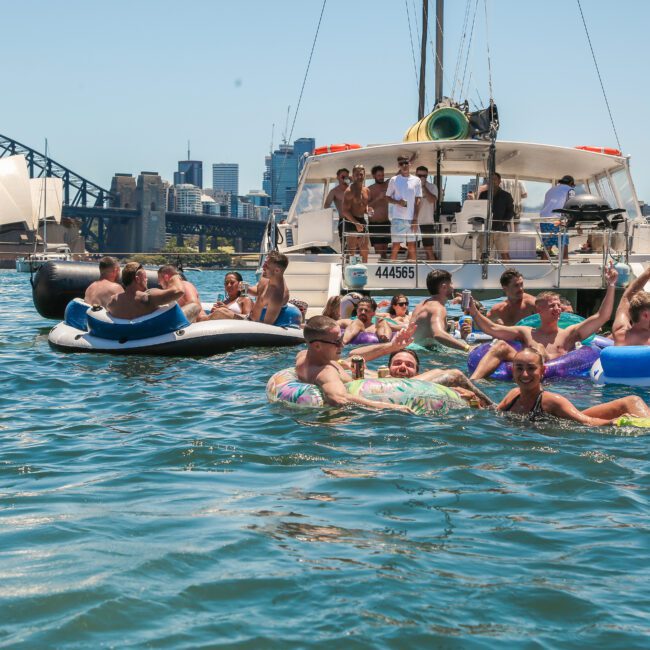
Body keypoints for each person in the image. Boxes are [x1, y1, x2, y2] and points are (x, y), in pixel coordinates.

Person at [468, 265, 618, 380]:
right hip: (524, 375)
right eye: (552, 305)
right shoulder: (526, 332)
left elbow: (602, 317)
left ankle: (538, 358)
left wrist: (611, 285)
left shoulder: (569, 333)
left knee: (538, 348)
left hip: (556, 380)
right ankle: (473, 382)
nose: (557, 309)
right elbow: (492, 328)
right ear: (539, 309)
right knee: (500, 345)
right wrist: (474, 312)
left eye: (559, 305)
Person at [497, 347, 650, 424]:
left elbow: (586, 422)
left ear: (542, 371)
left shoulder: (551, 401)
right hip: (571, 417)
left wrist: (614, 423)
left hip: (575, 421)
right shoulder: (512, 395)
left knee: (633, 402)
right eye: (519, 368)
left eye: (531, 368)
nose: (524, 374)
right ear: (512, 369)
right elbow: (492, 412)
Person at [348, 328, 493, 407]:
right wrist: (391, 347)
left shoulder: (431, 382)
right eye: (397, 363)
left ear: (418, 372)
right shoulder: (374, 377)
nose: (403, 367)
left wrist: (470, 396)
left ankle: (494, 407)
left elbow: (455, 376)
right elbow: (352, 355)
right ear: (388, 367)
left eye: (409, 365)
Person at [295, 315, 413, 411]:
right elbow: (339, 399)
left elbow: (347, 359)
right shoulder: (326, 372)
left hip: (361, 377)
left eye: (341, 339)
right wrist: (395, 408)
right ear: (317, 345)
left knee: (354, 357)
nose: (342, 345)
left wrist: (392, 346)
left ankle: (392, 346)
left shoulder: (303, 355)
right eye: (337, 341)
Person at [411, 270, 474, 351]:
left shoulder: (420, 305)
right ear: (444, 287)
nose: (453, 287)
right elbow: (438, 334)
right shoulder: (438, 308)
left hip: (415, 350)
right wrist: (467, 348)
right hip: (427, 354)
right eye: (451, 283)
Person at [107, 262, 184, 320]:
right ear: (137, 279)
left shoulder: (113, 301)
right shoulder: (147, 297)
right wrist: (175, 275)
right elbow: (179, 291)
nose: (147, 280)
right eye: (145, 277)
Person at [386, 156, 422, 261]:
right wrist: (398, 202)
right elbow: (387, 197)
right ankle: (392, 269)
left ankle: (415, 272)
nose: (404, 165)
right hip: (397, 218)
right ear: (398, 166)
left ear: (410, 164)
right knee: (395, 246)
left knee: (412, 247)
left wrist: (415, 219)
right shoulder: (393, 180)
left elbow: (418, 200)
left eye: (406, 163)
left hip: (411, 219)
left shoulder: (416, 180)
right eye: (401, 164)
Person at [478, 172, 514, 261]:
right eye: (490, 180)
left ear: (499, 181)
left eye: (495, 179)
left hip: (500, 229)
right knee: (484, 254)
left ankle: (510, 273)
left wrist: (504, 222)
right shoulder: (483, 195)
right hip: (486, 229)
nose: (493, 181)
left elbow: (511, 212)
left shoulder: (506, 195)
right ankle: (482, 273)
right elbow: (478, 209)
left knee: (504, 254)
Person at [249, 251, 290, 325]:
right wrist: (246, 289)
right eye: (264, 264)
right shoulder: (266, 277)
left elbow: (267, 326)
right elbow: (259, 291)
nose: (263, 267)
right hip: (249, 318)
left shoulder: (276, 296)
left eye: (266, 266)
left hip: (255, 325)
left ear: (277, 270)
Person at [612, 264, 650, 346]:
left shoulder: (619, 333)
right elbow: (627, 297)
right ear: (645, 315)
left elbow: (625, 298)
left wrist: (648, 272)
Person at [540, 175, 575, 260]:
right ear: (571, 183)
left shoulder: (550, 190)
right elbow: (572, 206)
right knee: (564, 249)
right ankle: (564, 270)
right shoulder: (570, 190)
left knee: (547, 248)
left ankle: (542, 268)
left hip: (544, 221)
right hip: (558, 222)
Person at [340, 164, 370, 262]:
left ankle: (365, 271)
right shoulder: (349, 191)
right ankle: (349, 273)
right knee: (351, 251)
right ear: (352, 176)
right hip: (351, 221)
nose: (359, 177)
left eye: (361, 174)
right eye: (357, 174)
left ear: (364, 175)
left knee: (365, 250)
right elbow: (344, 211)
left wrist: (368, 210)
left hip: (362, 220)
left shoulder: (366, 190)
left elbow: (364, 206)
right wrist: (355, 223)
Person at [415, 166, 438, 261]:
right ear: (416, 175)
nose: (422, 178)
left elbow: (433, 200)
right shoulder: (411, 186)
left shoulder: (432, 187)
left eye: (424, 176)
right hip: (414, 223)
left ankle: (433, 271)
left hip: (427, 222)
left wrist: (423, 186)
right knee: (412, 249)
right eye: (419, 175)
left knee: (428, 249)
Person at [367, 165, 390, 258]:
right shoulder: (369, 189)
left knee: (384, 252)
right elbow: (366, 207)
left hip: (386, 223)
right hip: (375, 224)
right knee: (379, 252)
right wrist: (378, 198)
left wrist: (408, 162)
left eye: (382, 175)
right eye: (379, 175)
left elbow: (398, 174)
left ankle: (386, 270)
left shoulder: (387, 185)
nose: (381, 177)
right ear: (374, 176)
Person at [324, 168, 350, 243]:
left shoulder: (353, 189)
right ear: (338, 177)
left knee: (358, 246)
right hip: (344, 221)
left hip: (356, 220)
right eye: (343, 177)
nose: (345, 179)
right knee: (345, 246)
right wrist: (333, 210)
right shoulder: (334, 192)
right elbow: (326, 205)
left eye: (346, 177)